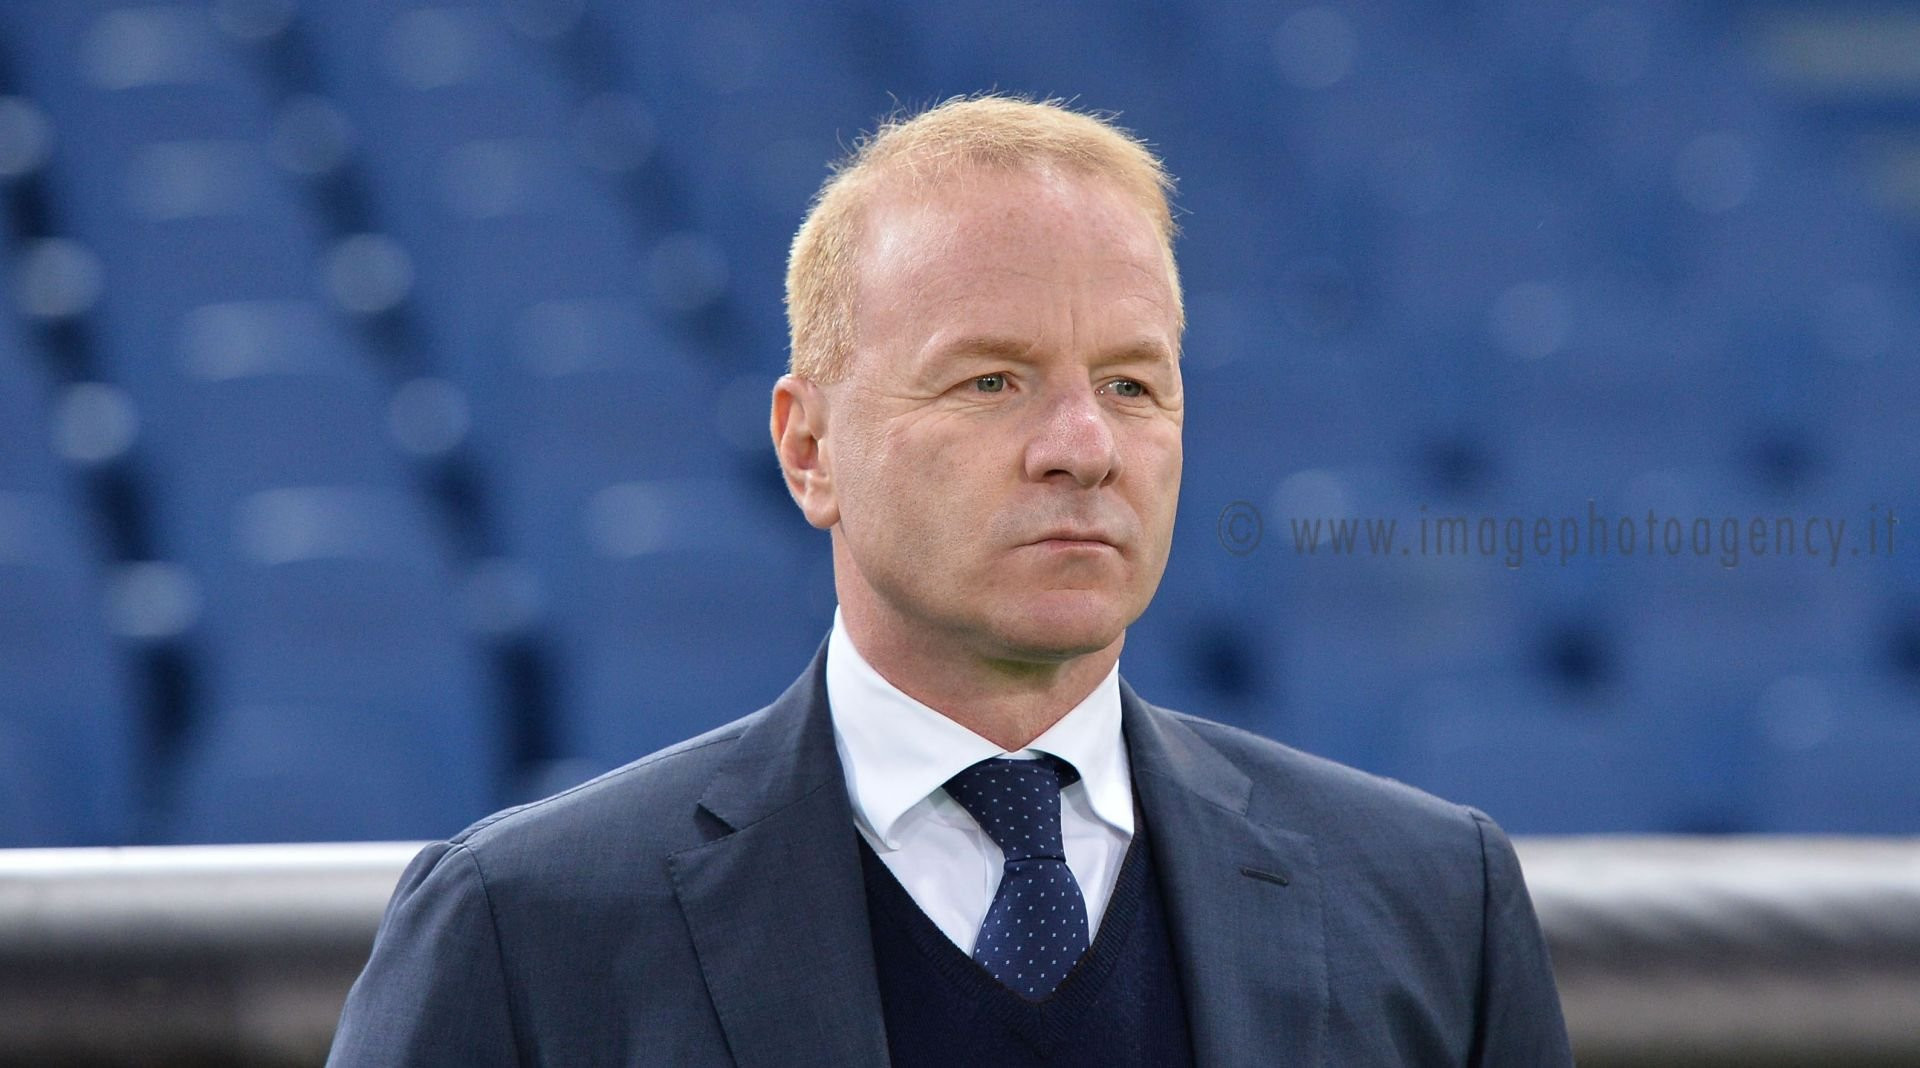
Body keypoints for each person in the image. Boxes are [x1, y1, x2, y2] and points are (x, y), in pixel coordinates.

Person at [327, 95, 1574, 1066]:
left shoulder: (1434, 904)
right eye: (992, 381)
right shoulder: (523, 929)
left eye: (1132, 384)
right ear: (809, 448)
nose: (1083, 445)